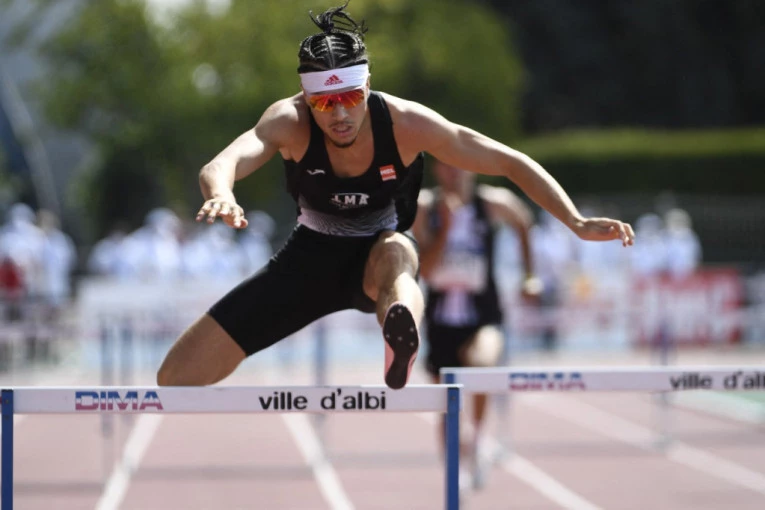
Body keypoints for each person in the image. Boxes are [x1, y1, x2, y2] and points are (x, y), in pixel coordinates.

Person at [156, 1, 635, 391]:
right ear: (306, 98)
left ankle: (399, 332)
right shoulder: (289, 121)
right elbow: (223, 162)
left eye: (350, 98)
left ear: (367, 85)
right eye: (324, 102)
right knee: (174, 378)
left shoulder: (406, 124)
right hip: (307, 262)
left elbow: (508, 161)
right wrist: (222, 192)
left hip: (378, 254)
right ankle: (396, 321)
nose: (339, 115)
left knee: (397, 252)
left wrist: (574, 221)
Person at [412, 159, 542, 489]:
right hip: (440, 315)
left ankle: (479, 437)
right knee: (445, 403)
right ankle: (454, 472)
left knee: (483, 363)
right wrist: (446, 227)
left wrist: (529, 275)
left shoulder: (493, 202)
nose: (452, 171)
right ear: (437, 171)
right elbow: (426, 270)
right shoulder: (425, 207)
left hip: (483, 309)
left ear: (472, 167)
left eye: (458, 165)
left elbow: (524, 222)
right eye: (445, 166)